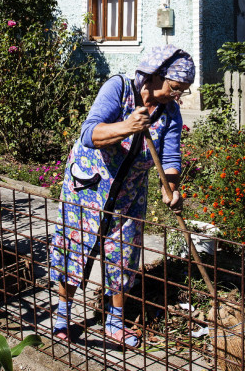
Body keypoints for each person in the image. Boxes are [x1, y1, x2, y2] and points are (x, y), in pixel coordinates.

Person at [48, 45, 194, 346]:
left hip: (130, 191)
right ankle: (62, 316)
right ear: (155, 76)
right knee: (75, 249)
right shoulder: (119, 88)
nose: (177, 96)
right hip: (89, 186)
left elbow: (170, 158)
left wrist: (172, 187)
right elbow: (89, 134)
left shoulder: (170, 112)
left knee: (123, 254)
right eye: (175, 88)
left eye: (183, 91)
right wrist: (127, 126)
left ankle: (114, 322)